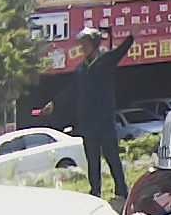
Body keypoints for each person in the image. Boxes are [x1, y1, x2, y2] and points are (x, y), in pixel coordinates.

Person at [43, 27, 134, 201]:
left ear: (94, 44)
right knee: (92, 160)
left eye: (85, 44)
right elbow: (71, 90)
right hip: (87, 123)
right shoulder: (81, 70)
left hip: (105, 122)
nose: (82, 47)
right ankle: (95, 191)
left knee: (112, 157)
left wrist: (131, 37)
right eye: (81, 44)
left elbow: (120, 52)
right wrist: (54, 103)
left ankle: (122, 191)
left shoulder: (105, 61)